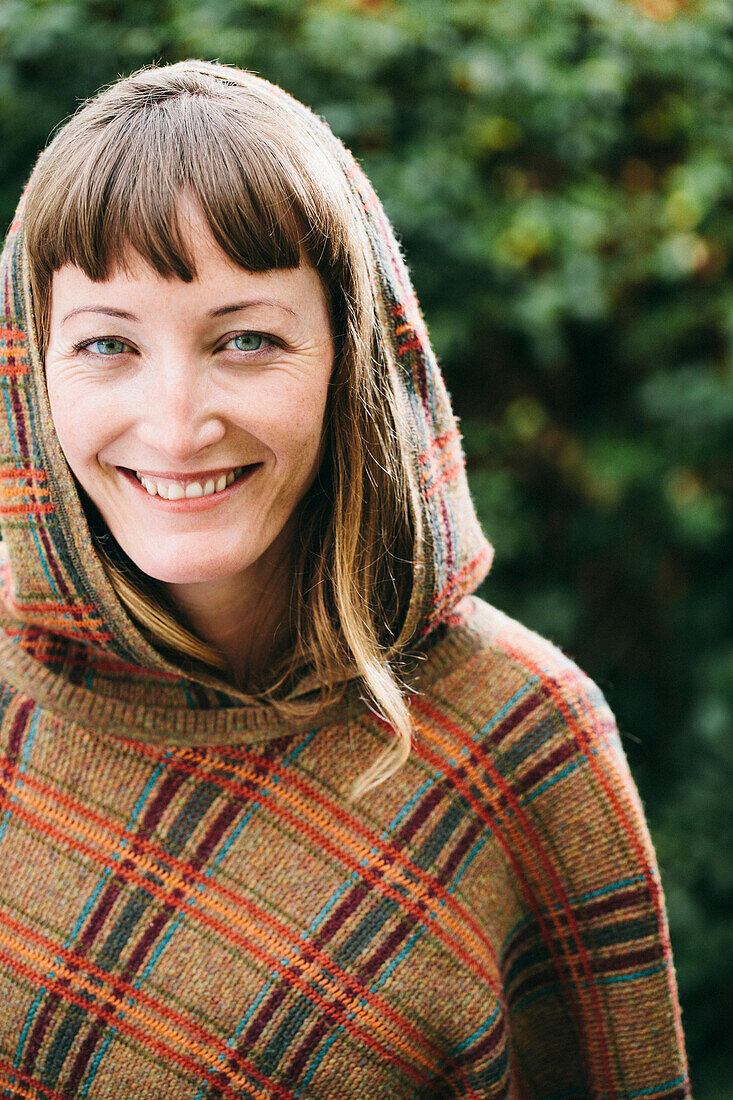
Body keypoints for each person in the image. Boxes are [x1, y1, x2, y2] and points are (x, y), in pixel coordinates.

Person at [0, 60, 689, 1099]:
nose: (177, 422)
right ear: (32, 370)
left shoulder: (520, 739)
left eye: (246, 338)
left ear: (352, 363)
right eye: (106, 344)